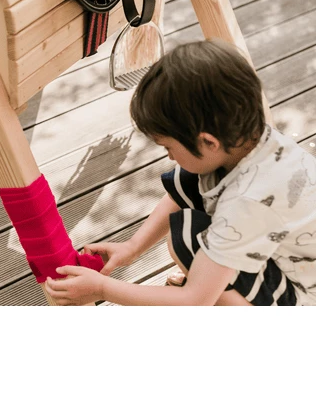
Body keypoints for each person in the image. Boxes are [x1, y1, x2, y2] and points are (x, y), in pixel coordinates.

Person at [45, 39, 316, 306]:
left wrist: (104, 289)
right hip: (287, 255)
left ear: (209, 141)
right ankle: (216, 282)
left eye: (168, 147)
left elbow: (194, 301)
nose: (169, 156)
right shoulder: (252, 140)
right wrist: (132, 248)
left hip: (303, 299)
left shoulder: (248, 202)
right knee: (189, 178)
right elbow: (181, 194)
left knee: (187, 239)